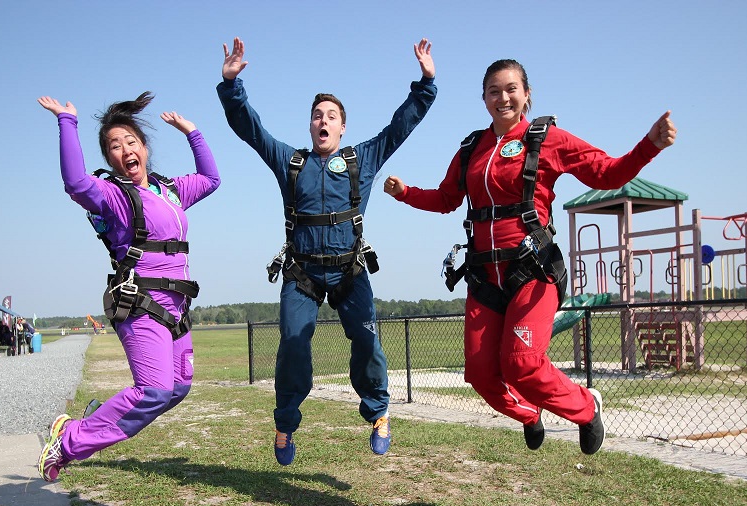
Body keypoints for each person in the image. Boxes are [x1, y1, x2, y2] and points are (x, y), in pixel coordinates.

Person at [383, 58, 676, 455]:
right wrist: (406, 193)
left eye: (511, 89)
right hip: (485, 277)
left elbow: (606, 173)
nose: (502, 98)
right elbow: (447, 198)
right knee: (483, 375)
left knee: (520, 362)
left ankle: (586, 407)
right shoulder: (472, 148)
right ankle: (529, 414)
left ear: (526, 95)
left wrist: (649, 146)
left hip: (531, 270)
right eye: (493, 91)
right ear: (483, 98)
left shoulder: (546, 138)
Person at [217, 37, 437, 466]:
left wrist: (425, 83)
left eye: (331, 116)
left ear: (342, 128)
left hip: (349, 272)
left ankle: (378, 413)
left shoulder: (362, 159)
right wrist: (231, 87)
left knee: (367, 342)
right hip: (301, 273)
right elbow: (252, 131)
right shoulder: (291, 162)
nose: (323, 120)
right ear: (310, 126)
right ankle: (285, 424)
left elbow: (400, 126)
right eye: (317, 115)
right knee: (293, 346)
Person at [36, 91, 220, 482]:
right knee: (153, 390)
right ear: (110, 160)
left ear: (145, 148)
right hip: (140, 304)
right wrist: (67, 122)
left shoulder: (169, 191)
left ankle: (85, 425)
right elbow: (75, 184)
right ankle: (67, 444)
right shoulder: (115, 197)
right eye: (114, 147)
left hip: (176, 309)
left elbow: (211, 179)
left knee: (177, 388)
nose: (125, 150)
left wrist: (193, 132)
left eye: (131, 141)